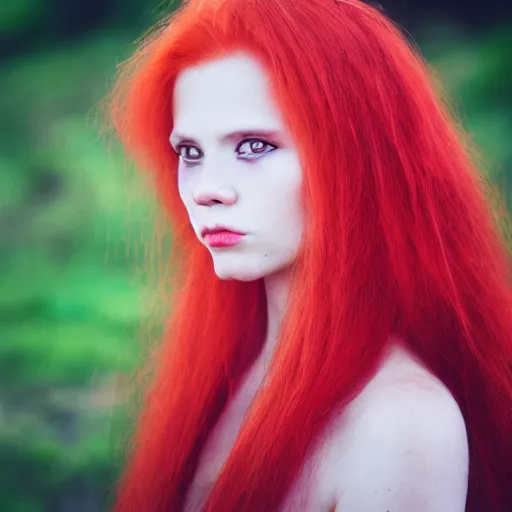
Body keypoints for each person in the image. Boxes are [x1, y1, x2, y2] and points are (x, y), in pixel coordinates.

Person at [107, 0, 512, 510]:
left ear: (356, 156)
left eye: (254, 146)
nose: (206, 188)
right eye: (190, 152)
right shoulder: (230, 369)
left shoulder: (400, 425)